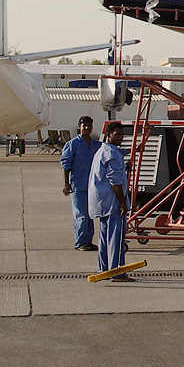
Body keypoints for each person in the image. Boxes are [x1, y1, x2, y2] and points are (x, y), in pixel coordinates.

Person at [89, 122, 132, 280]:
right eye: (117, 135)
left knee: (105, 238)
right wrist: (122, 202)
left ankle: (104, 269)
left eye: (122, 135)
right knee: (116, 239)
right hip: (112, 202)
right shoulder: (112, 154)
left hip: (102, 203)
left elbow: (121, 153)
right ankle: (117, 271)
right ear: (109, 135)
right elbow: (115, 181)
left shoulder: (104, 150)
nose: (120, 138)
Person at [59, 116, 101, 251]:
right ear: (79, 127)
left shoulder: (96, 145)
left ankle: (88, 241)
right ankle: (81, 242)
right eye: (84, 126)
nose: (87, 128)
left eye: (89, 126)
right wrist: (66, 183)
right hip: (78, 185)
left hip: (93, 187)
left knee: (90, 215)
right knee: (81, 216)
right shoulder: (72, 145)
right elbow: (66, 165)